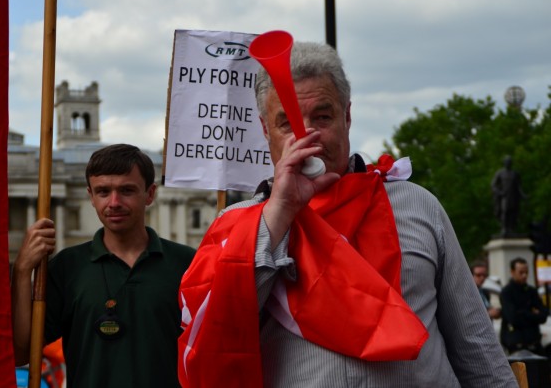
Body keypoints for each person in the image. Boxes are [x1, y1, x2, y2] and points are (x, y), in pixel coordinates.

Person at [177, 41, 517, 387]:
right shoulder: (236, 225)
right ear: (266, 131)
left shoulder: (418, 205)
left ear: (348, 117)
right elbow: (217, 332)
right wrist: (278, 215)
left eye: (322, 117)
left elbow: (476, 346)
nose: (307, 135)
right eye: (287, 123)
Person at [11, 144, 195, 387]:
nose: (114, 202)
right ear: (91, 196)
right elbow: (22, 352)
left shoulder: (188, 263)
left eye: (127, 190)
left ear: (150, 194)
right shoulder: (67, 267)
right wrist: (22, 271)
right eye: (103, 192)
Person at [500, 257, 549, 354]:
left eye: (526, 272)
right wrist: (532, 313)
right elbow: (513, 318)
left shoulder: (531, 291)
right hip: (516, 344)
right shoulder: (507, 292)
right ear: (513, 272)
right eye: (521, 272)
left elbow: (543, 315)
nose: (524, 275)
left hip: (534, 342)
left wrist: (523, 313)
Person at [491, 155, 525, 236]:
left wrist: (523, 195)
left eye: (509, 162)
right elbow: (493, 185)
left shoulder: (515, 174)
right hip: (504, 196)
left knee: (513, 212)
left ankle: (511, 229)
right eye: (507, 162)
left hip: (513, 196)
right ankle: (504, 228)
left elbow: (518, 187)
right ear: (504, 163)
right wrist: (499, 192)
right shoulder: (500, 173)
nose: (508, 163)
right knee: (505, 211)